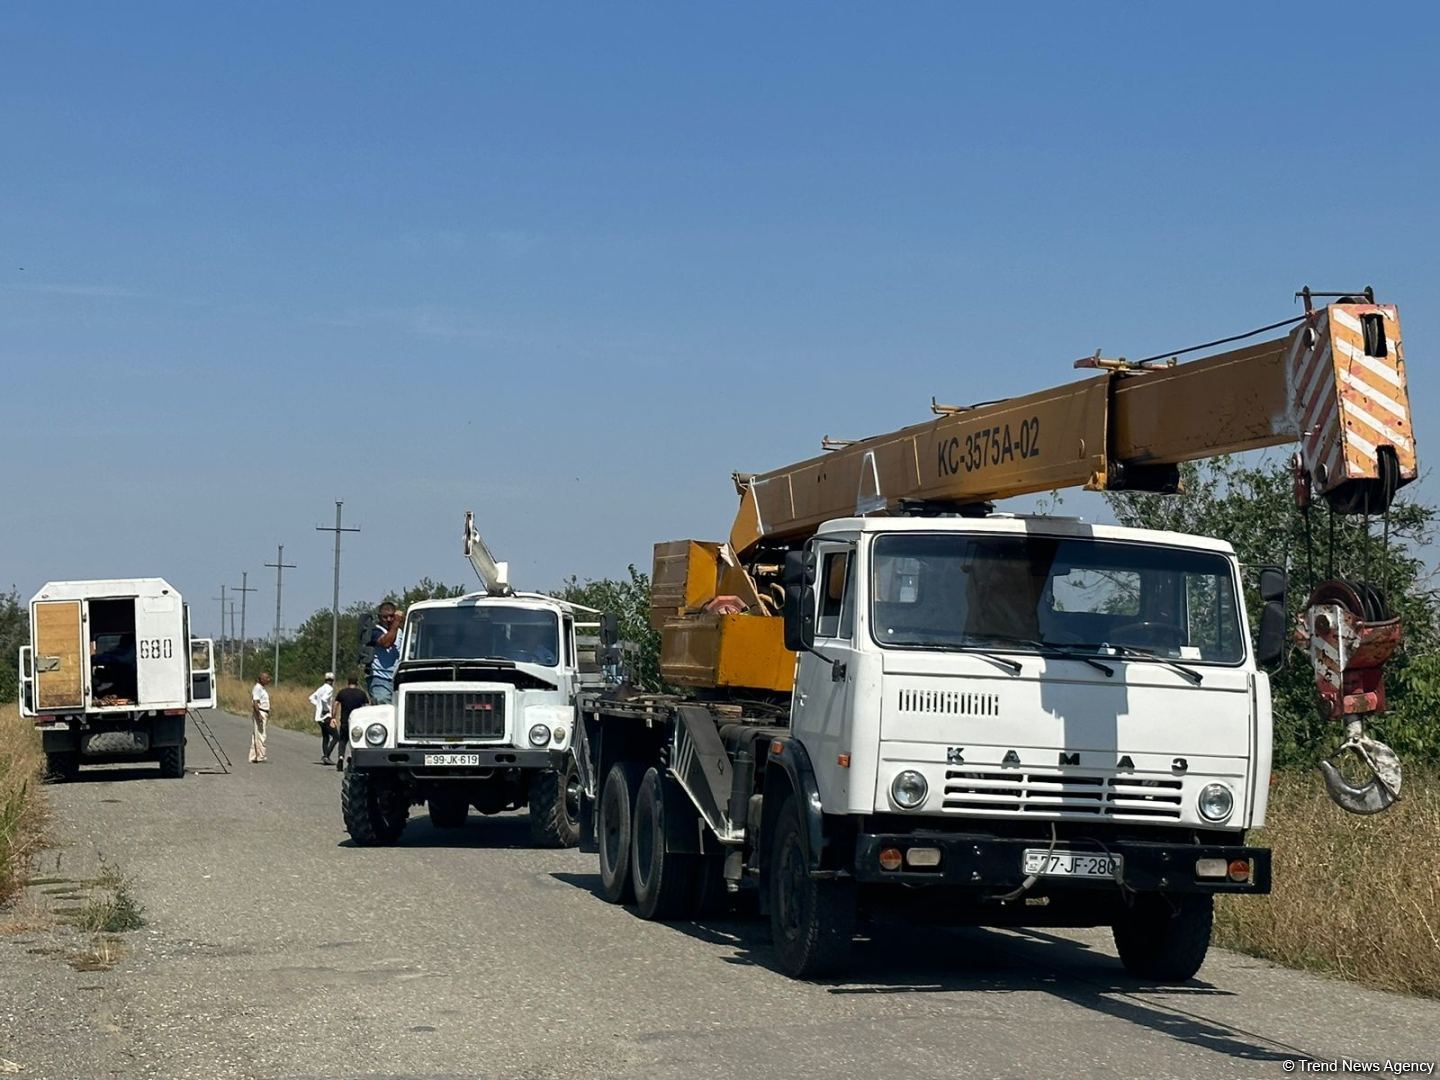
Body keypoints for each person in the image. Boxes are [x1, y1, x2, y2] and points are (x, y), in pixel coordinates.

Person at [365, 601, 404, 704]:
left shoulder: (400, 632)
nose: (389, 620)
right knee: (383, 704)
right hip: (380, 678)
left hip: (397, 678)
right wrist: (396, 622)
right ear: (379, 617)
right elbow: (386, 642)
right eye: (385, 617)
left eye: (392, 616)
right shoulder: (374, 631)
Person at [330, 675, 369, 771]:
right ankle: (352, 758)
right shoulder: (361, 694)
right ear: (357, 682)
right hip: (357, 723)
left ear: (348, 682)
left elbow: (335, 705)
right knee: (355, 741)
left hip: (344, 721)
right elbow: (367, 707)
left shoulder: (342, 693)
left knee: (342, 740)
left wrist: (333, 717)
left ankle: (340, 757)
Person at [309, 672, 336, 764]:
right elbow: (324, 699)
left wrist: (318, 706)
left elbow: (311, 698)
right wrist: (325, 709)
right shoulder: (329, 689)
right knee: (336, 736)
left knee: (326, 737)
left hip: (319, 717)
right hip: (326, 716)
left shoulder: (321, 688)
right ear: (332, 681)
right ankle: (326, 756)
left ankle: (326, 757)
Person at [249, 672, 272, 764]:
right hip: (260, 712)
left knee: (257, 734)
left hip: (263, 712)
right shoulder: (257, 688)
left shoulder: (261, 689)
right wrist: (259, 715)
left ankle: (254, 756)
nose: (268, 680)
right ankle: (260, 756)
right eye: (266, 678)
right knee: (261, 734)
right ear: (261, 679)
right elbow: (255, 702)